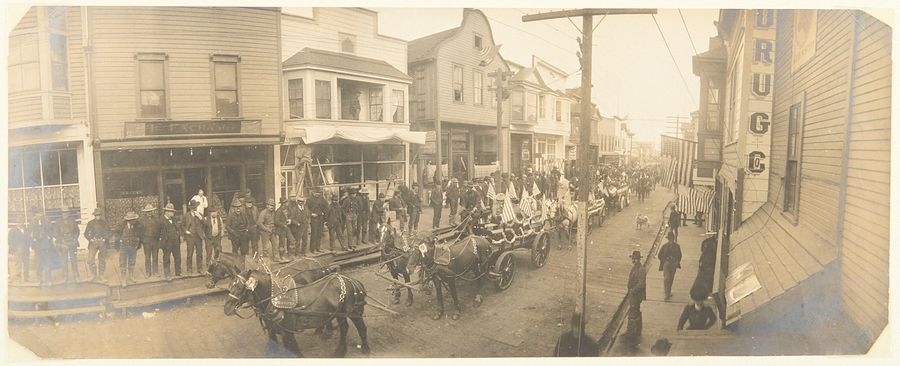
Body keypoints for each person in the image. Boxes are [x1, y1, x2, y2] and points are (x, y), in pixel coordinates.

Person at [84, 208, 111, 283]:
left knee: (102, 259)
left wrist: (104, 239)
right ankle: (94, 275)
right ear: (94, 216)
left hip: (102, 242)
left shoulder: (104, 223)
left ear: (101, 215)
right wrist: (91, 239)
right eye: (96, 215)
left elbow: (109, 233)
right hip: (93, 242)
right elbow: (85, 233)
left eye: (99, 215)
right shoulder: (90, 223)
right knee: (90, 259)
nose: (98, 216)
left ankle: (101, 275)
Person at [54, 209, 81, 283]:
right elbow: (55, 233)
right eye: (63, 212)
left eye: (66, 212)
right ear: (61, 213)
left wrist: (75, 238)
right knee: (64, 260)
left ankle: (76, 276)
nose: (65, 214)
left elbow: (77, 231)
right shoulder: (58, 221)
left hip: (72, 242)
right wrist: (61, 240)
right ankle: (65, 277)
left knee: (74, 260)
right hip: (63, 243)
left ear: (68, 213)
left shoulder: (72, 220)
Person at [28, 211, 54, 286]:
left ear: (43, 214)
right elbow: (29, 233)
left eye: (41, 214)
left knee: (47, 263)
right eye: (37, 214)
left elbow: (51, 230)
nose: (39, 215)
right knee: (38, 264)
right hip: (38, 247)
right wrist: (32, 240)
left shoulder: (46, 221)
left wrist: (50, 237)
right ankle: (40, 280)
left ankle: (48, 280)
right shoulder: (32, 223)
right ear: (35, 214)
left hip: (46, 246)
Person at [117, 211, 143, 286]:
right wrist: (120, 240)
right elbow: (116, 233)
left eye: (134, 219)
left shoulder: (137, 225)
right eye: (132, 220)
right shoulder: (122, 225)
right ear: (128, 220)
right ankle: (123, 279)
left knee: (132, 262)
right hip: (124, 247)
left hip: (133, 246)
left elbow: (140, 234)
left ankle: (131, 276)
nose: (134, 221)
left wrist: (137, 244)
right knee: (123, 263)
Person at [626, 250, 647, 339]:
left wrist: (632, 291)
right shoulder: (635, 267)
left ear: (639, 259)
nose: (633, 261)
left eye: (635, 259)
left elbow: (641, 284)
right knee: (635, 311)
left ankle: (632, 332)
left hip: (636, 295)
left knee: (633, 312)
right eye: (633, 259)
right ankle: (636, 330)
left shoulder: (641, 270)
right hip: (633, 294)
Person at [159, 203, 182, 280]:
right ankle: (167, 274)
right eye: (171, 211)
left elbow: (178, 228)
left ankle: (178, 272)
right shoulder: (161, 221)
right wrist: (162, 243)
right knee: (166, 258)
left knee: (178, 257)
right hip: (167, 243)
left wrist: (179, 236)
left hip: (176, 242)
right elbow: (158, 233)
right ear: (167, 212)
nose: (173, 213)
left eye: (173, 211)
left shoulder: (174, 219)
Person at [183, 201, 207, 274]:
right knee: (190, 253)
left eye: (195, 207)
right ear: (190, 208)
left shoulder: (199, 215)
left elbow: (205, 224)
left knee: (199, 253)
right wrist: (186, 231)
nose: (195, 209)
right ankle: (189, 269)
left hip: (198, 236)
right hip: (190, 236)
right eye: (193, 208)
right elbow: (182, 225)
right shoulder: (186, 216)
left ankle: (199, 268)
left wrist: (200, 218)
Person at [657, 231, 683, 300]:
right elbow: (659, 255)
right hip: (666, 264)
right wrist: (664, 260)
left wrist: (676, 262)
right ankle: (666, 295)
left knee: (671, 278)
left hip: (673, 264)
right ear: (668, 239)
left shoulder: (677, 246)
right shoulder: (665, 246)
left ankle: (668, 291)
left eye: (672, 238)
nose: (671, 240)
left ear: (673, 239)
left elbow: (679, 256)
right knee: (666, 279)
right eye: (669, 239)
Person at [138, 203, 161, 278]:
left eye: (150, 211)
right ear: (145, 212)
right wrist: (143, 240)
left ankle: (155, 271)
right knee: (147, 257)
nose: (149, 213)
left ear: (152, 211)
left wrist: (159, 238)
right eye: (148, 211)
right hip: (146, 242)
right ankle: (148, 272)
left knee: (155, 257)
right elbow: (140, 231)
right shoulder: (142, 220)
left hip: (155, 241)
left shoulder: (156, 219)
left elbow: (159, 229)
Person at [307, 189, 327, 254]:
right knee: (314, 234)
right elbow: (306, 209)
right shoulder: (309, 199)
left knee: (319, 233)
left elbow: (326, 206)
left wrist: (324, 212)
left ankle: (318, 247)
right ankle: (312, 249)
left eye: (319, 193)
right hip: (314, 218)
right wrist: (311, 214)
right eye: (316, 192)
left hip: (320, 217)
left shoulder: (322, 198)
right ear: (313, 192)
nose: (317, 194)